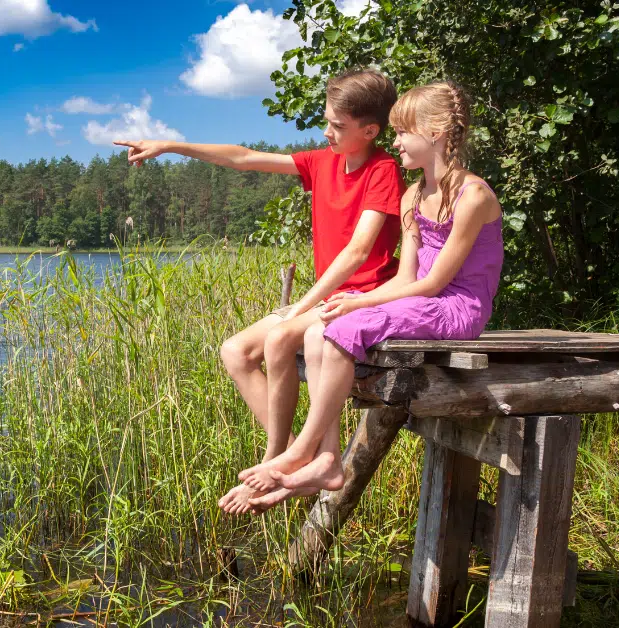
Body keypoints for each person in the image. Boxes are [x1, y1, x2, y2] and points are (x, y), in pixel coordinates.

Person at [115, 67, 405, 514]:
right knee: (234, 351)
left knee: (281, 336)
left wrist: (300, 307)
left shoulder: (383, 169)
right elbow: (244, 157)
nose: (327, 132)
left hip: (359, 296)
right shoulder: (323, 161)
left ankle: (282, 461)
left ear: (370, 130)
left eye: (338, 126)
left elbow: (357, 252)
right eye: (326, 120)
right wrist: (170, 145)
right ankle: (293, 456)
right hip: (324, 298)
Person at [239, 81, 505, 512]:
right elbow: (405, 278)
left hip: (458, 308)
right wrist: (348, 302)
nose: (395, 142)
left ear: (435, 131)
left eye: (403, 132)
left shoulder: (472, 195)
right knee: (321, 328)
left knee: (349, 323)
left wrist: (362, 302)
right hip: (421, 300)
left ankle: (301, 452)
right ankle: (326, 460)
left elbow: (436, 284)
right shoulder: (415, 195)